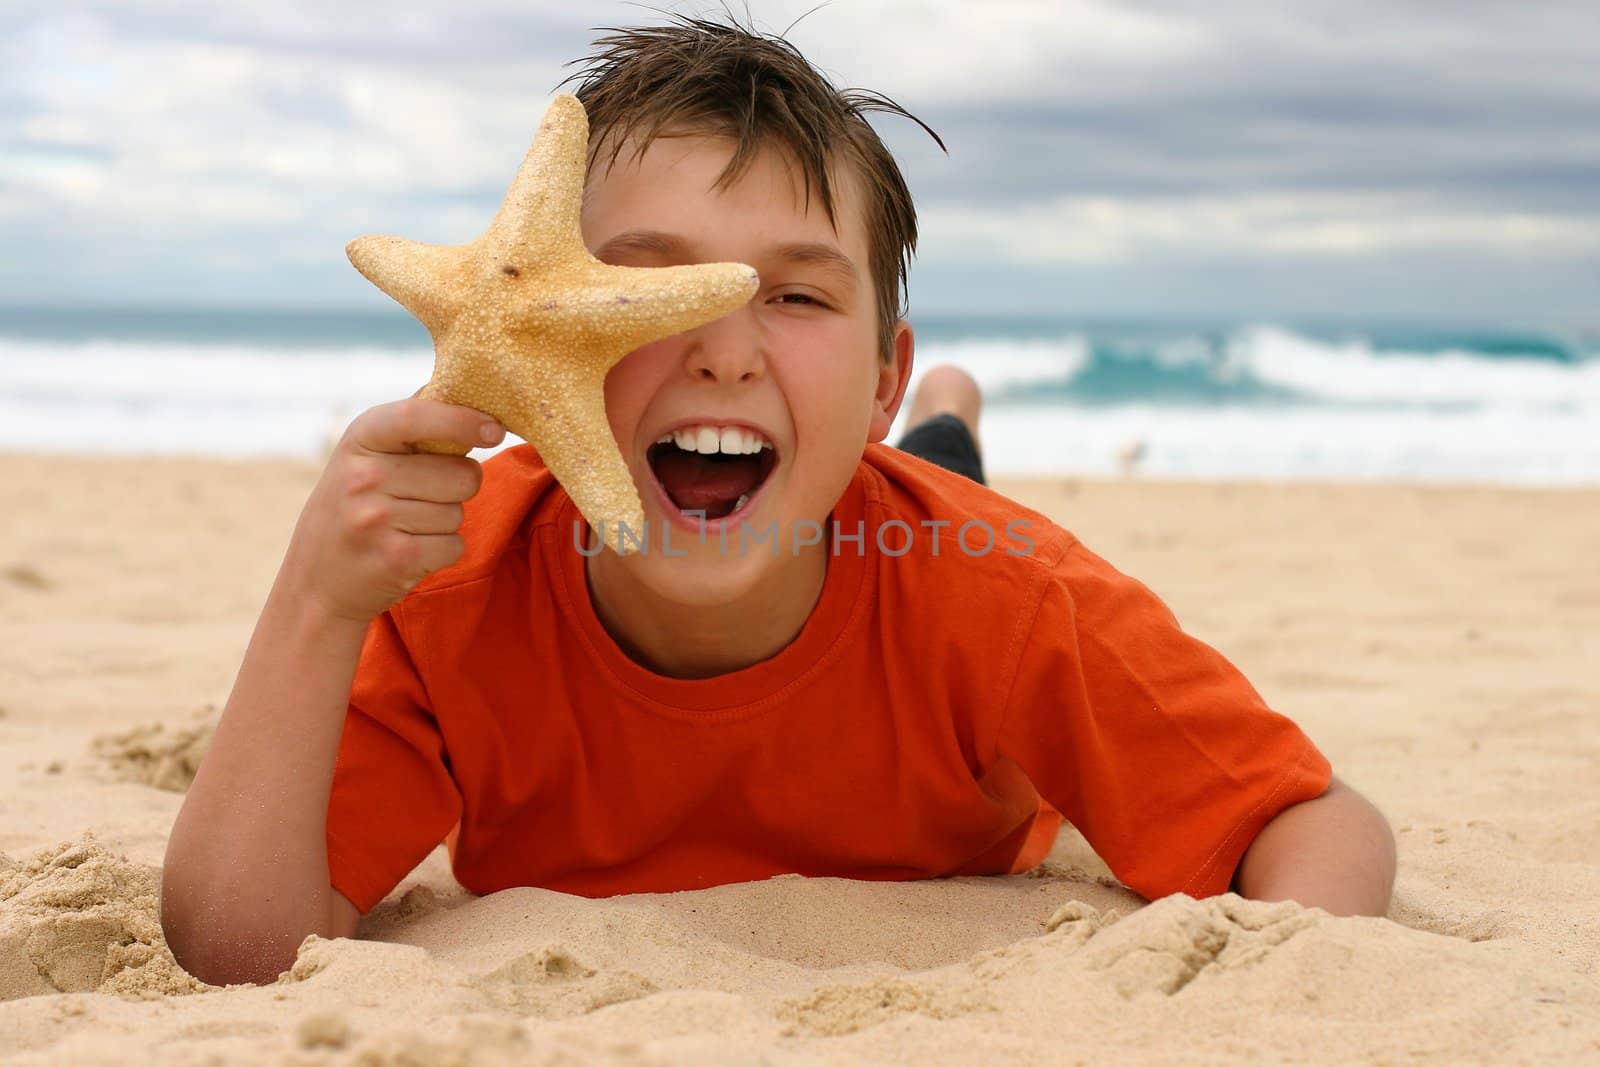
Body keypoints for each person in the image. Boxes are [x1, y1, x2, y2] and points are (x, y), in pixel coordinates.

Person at [161, 16, 1396, 987]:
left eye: (797, 297)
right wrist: (315, 599)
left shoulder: (1012, 598)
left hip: (905, 526)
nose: (722, 348)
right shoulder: (450, 590)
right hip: (829, 487)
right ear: (544, 339)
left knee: (944, 500)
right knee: (870, 494)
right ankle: (931, 428)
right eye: (639, 292)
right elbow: (242, 949)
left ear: (875, 377)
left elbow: (1310, 821)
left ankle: (943, 425)